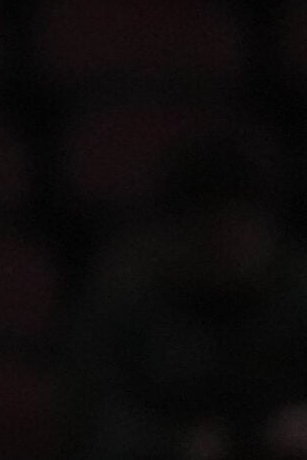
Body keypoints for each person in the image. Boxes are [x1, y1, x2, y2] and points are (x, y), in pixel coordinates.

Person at [71, 135, 307, 460]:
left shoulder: (293, 290)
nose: (236, 243)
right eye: (219, 228)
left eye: (247, 224)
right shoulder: (129, 298)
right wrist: (176, 444)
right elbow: (96, 418)